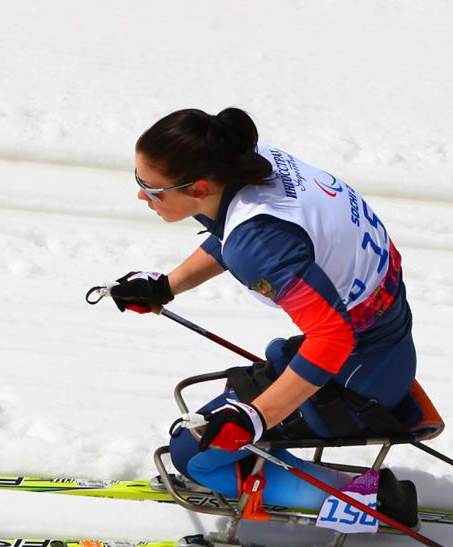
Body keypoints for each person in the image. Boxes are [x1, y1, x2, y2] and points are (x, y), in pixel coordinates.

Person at [110, 107, 419, 525]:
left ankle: (371, 499)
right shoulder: (249, 162)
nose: (142, 197)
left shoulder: (257, 238)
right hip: (382, 346)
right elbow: (238, 232)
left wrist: (255, 419)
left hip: (358, 379)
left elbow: (330, 337)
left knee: (194, 455)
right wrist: (167, 286)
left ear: (200, 187)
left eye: (152, 189)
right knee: (220, 429)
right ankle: (271, 459)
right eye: (138, 180)